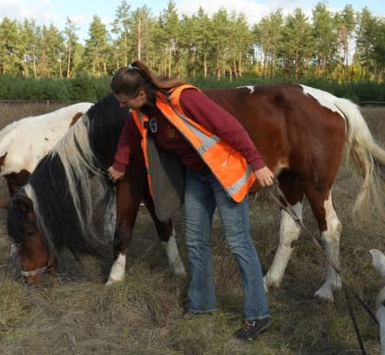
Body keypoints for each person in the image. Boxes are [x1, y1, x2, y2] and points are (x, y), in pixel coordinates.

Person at [107, 60, 274, 342]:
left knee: (238, 241)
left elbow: (230, 127)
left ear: (139, 94)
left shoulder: (184, 98)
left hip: (224, 171)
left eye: (124, 102)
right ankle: (202, 305)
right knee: (195, 240)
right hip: (197, 176)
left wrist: (257, 163)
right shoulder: (141, 113)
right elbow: (128, 136)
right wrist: (119, 164)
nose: (122, 107)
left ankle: (258, 315)